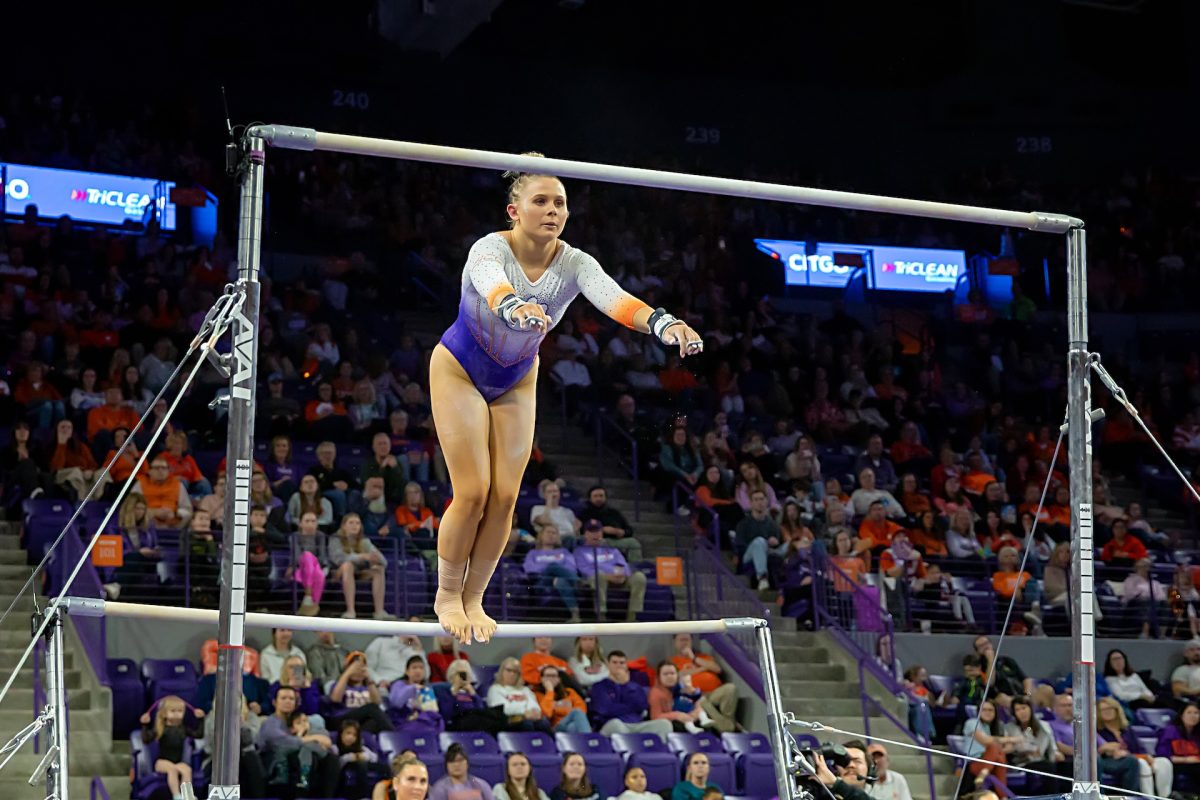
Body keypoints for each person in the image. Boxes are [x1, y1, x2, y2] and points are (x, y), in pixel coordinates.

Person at [428, 158, 703, 644]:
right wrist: (514, 304)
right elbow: (492, 285)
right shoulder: (489, 248)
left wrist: (665, 324)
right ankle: (448, 595)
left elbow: (616, 300)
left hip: (516, 378)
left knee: (507, 497)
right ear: (514, 210)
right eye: (540, 201)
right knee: (472, 492)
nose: (552, 210)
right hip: (460, 368)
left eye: (560, 203)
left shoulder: (575, 262)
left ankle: (475, 597)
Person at [257, 686, 340, 797]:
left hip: (301, 759)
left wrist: (316, 741)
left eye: (291, 699)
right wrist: (312, 740)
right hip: (275, 766)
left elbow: (324, 739)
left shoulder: (299, 720)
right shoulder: (270, 723)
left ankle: (327, 797)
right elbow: (286, 743)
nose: (287, 701)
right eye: (283, 698)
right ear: (274, 702)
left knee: (331, 759)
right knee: (300, 754)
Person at [1048, 692, 1140, 792]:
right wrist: (1085, 752)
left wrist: (1114, 751)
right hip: (1072, 761)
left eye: (1070, 705)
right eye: (1063, 705)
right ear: (1054, 708)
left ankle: (1129, 796)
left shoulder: (1082, 725)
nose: (1068, 709)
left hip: (1096, 758)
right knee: (1093, 758)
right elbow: (1058, 746)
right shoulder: (1051, 725)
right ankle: (1098, 795)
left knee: (1131, 761)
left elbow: (1104, 744)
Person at [1098, 696, 1173, 798]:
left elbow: (1139, 748)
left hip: (1135, 756)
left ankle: (1165, 796)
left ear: (1116, 710)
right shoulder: (1098, 731)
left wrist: (1146, 756)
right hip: (1115, 761)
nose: (1107, 712)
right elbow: (1102, 751)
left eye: (1110, 708)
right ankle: (1149, 797)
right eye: (1103, 710)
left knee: (1164, 762)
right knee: (1140, 763)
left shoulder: (1127, 730)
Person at [575, 520, 647, 621]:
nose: (596, 535)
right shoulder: (580, 551)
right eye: (592, 532)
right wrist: (608, 576)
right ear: (586, 534)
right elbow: (584, 570)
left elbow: (622, 563)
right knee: (598, 576)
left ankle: (632, 616)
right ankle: (601, 615)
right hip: (597, 579)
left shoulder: (610, 549)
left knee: (639, 577)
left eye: (598, 531)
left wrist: (622, 574)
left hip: (618, 578)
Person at [588, 651, 671, 737]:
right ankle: (629, 748)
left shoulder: (634, 687)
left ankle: (657, 750)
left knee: (664, 724)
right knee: (617, 725)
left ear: (626, 665)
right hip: (611, 724)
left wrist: (625, 685)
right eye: (614, 662)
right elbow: (606, 710)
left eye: (622, 663)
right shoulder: (599, 686)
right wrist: (631, 707)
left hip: (636, 724)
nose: (618, 665)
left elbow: (641, 706)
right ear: (608, 665)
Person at [329, 513, 396, 620]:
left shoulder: (364, 541)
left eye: (357, 523)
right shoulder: (335, 539)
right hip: (338, 572)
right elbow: (338, 559)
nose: (354, 526)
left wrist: (376, 557)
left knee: (378, 569)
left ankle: (379, 612)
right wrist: (362, 557)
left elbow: (384, 562)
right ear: (343, 526)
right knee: (348, 566)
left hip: (359, 572)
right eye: (351, 523)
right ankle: (350, 611)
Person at [139, 695, 203, 800]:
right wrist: (144, 725)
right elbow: (146, 739)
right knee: (172, 770)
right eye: (173, 711)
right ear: (164, 713)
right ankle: (177, 795)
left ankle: (187, 795)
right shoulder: (160, 729)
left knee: (187, 770)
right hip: (161, 762)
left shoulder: (183, 729)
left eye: (180, 711)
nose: (177, 714)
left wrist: (200, 720)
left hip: (177, 762)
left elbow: (198, 734)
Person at [1001, 696, 1067, 795]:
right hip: (1022, 762)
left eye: (1024, 708)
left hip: (1043, 759)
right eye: (1017, 710)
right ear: (1014, 713)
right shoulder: (1009, 728)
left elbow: (1052, 746)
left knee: (1068, 765)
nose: (1022, 712)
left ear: (1030, 709)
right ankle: (1052, 797)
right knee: (1047, 767)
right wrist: (1029, 750)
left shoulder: (1044, 726)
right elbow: (1012, 748)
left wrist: (1056, 753)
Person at [524, 525, 582, 622]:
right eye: (548, 532)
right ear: (541, 535)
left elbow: (571, 568)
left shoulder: (564, 552)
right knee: (553, 566)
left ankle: (575, 614)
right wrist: (550, 568)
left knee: (560, 581)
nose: (551, 535)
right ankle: (578, 583)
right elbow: (529, 569)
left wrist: (555, 575)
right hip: (541, 581)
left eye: (554, 533)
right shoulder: (533, 553)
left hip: (562, 580)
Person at [331, 650, 394, 734]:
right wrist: (347, 674)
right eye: (355, 668)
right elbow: (335, 699)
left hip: (362, 722)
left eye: (361, 668)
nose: (358, 671)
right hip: (343, 719)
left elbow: (377, 702)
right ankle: (394, 734)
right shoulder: (340, 684)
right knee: (371, 708)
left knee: (373, 723)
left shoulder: (368, 687)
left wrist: (368, 678)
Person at [648, 662, 719, 733]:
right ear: (658, 677)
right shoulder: (655, 693)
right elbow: (655, 717)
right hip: (674, 723)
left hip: (687, 714)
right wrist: (677, 715)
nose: (669, 676)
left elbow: (693, 697)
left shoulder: (677, 687)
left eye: (672, 673)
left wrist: (694, 693)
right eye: (665, 674)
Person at [733, 489, 781, 591]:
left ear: (766, 502)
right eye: (756, 500)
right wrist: (763, 544)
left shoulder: (773, 524)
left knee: (790, 545)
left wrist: (775, 543)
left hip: (769, 553)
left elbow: (777, 546)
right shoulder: (743, 524)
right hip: (748, 556)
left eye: (762, 499)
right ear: (751, 503)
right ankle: (762, 577)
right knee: (759, 542)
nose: (759, 502)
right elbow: (740, 546)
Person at [488, 657, 551, 733]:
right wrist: (524, 712)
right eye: (509, 670)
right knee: (527, 724)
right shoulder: (495, 689)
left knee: (544, 723)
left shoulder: (525, 690)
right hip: (508, 721)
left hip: (527, 718)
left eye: (515, 672)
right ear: (502, 671)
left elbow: (534, 706)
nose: (512, 674)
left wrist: (533, 712)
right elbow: (503, 709)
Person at [581, 486, 642, 562]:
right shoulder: (585, 513)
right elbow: (582, 530)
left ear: (605, 497)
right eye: (595, 496)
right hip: (598, 540)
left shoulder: (614, 512)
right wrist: (602, 530)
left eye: (601, 496)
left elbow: (629, 529)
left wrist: (622, 532)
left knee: (633, 543)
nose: (598, 499)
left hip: (616, 540)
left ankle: (634, 568)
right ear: (590, 498)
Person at [134, 457, 192, 529]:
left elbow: (187, 509)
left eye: (164, 468)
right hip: (148, 521)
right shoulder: (140, 484)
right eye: (156, 468)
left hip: (173, 523)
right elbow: (131, 507)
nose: (160, 471)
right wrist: (154, 512)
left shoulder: (177, 485)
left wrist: (175, 513)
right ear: (149, 471)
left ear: (168, 471)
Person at [533, 664, 591, 733]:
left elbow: (582, 710)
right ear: (541, 679)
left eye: (554, 676)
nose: (551, 679)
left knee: (573, 727)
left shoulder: (569, 692)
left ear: (559, 679)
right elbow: (546, 714)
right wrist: (550, 691)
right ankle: (590, 741)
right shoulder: (537, 695)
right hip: (555, 727)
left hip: (571, 723)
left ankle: (585, 742)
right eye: (548, 676)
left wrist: (557, 710)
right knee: (576, 713)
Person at [1156, 702, 1200, 790]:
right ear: (1181, 715)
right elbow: (1163, 755)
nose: (1193, 716)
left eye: (1196, 713)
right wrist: (1186, 760)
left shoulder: (1198, 733)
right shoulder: (1170, 731)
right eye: (1189, 712)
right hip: (1175, 765)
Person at [430, 744, 495, 800]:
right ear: (446, 765)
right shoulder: (440, 789)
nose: (456, 764)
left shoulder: (481, 784)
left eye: (460, 760)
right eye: (452, 761)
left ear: (467, 763)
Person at [338, 718, 381, 798]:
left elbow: (375, 758)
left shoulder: (360, 748)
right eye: (348, 733)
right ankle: (362, 797)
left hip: (363, 765)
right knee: (361, 764)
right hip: (344, 772)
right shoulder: (335, 748)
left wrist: (364, 756)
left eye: (354, 735)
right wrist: (351, 757)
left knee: (384, 768)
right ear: (341, 734)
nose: (351, 737)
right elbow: (337, 764)